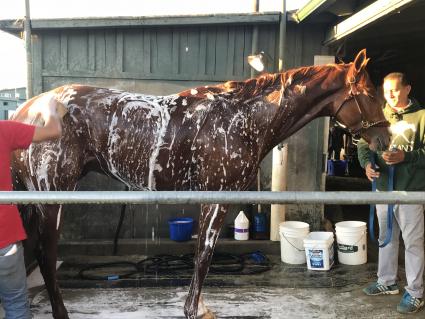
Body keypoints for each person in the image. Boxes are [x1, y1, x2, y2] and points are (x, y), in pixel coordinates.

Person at [357, 72, 424, 314]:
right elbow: (363, 145)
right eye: (386, 92)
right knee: (386, 238)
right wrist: (367, 164)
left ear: (407, 88)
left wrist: (407, 157)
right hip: (383, 190)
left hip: (410, 192)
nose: (390, 96)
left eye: (395, 90)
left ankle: (416, 292)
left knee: (413, 243)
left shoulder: (422, 117)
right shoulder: (378, 116)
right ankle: (386, 282)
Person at [0, 94, 62, 319]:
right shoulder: (3, 130)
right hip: (4, 241)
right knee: (16, 305)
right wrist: (50, 108)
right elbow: (53, 130)